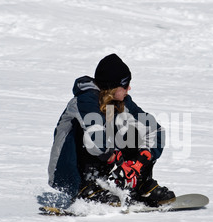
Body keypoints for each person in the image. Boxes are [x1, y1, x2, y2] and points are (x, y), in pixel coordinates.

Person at [48, 54, 175, 207]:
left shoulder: (122, 102)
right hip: (69, 172)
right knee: (92, 135)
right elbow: (96, 139)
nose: (129, 88)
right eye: (126, 85)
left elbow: (154, 129)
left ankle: (140, 185)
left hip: (106, 164)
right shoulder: (85, 101)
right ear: (114, 87)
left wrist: (139, 163)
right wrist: (117, 160)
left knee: (133, 130)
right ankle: (88, 188)